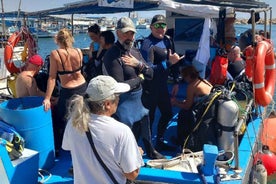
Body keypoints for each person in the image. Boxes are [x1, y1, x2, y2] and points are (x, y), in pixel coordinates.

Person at [62, 75, 144, 184]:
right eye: (117, 96)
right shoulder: (122, 131)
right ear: (107, 104)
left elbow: (70, 148)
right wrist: (137, 154)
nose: (119, 99)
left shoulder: (74, 122)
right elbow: (132, 174)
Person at [103, 17, 164, 159]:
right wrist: (140, 78)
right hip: (123, 103)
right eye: (125, 34)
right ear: (118, 33)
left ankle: (150, 150)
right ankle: (125, 164)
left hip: (139, 99)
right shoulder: (112, 55)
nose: (129, 37)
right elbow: (121, 85)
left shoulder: (135, 52)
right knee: (126, 137)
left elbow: (151, 74)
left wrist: (138, 65)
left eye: (131, 33)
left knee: (145, 125)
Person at [140, 14, 184, 151]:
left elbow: (175, 60)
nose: (160, 29)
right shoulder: (147, 44)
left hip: (163, 86)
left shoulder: (168, 41)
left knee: (167, 114)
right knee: (150, 117)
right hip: (150, 87)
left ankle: (159, 140)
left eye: (163, 25)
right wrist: (167, 63)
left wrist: (176, 81)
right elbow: (148, 70)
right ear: (151, 27)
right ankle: (148, 147)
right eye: (157, 26)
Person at [43, 28, 87, 152]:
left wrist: (47, 98)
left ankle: (63, 147)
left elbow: (52, 77)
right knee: (82, 116)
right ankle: (83, 143)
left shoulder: (55, 54)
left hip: (68, 91)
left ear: (57, 40)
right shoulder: (78, 51)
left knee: (62, 118)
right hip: (83, 86)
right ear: (71, 39)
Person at [171, 65, 213, 146]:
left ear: (188, 76)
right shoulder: (203, 81)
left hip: (201, 111)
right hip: (209, 108)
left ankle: (182, 140)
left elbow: (187, 106)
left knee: (183, 114)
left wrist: (176, 103)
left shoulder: (191, 87)